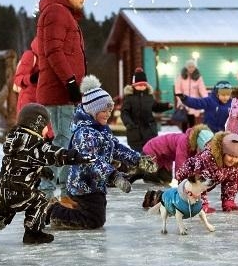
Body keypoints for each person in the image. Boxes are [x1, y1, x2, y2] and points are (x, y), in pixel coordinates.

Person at [0, 103, 91, 245]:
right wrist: (77, 157)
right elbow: (57, 154)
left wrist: (41, 169)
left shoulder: (15, 139)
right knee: (41, 199)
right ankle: (33, 233)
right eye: (46, 126)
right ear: (36, 124)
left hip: (1, 192)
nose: (47, 130)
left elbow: (20, 163)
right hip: (19, 192)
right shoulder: (35, 144)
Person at [47, 75, 158, 230]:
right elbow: (91, 161)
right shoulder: (84, 133)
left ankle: (66, 207)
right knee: (93, 220)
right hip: (83, 184)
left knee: (97, 217)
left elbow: (115, 147)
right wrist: (113, 176)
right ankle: (53, 211)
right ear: (93, 111)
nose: (108, 114)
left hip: (96, 184)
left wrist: (138, 160)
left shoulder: (101, 128)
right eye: (104, 110)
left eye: (109, 110)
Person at [34, 0, 88, 198]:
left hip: (64, 93)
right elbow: (54, 52)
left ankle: (65, 192)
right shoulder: (56, 12)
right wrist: (71, 81)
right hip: (58, 92)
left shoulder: (63, 13)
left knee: (68, 141)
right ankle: (45, 193)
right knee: (61, 140)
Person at [175, 131, 238, 213]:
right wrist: (202, 204)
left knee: (230, 181)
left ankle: (228, 202)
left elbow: (230, 183)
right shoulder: (207, 159)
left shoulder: (233, 165)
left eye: (236, 157)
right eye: (230, 155)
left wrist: (228, 201)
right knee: (187, 199)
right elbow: (199, 183)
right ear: (223, 152)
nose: (233, 160)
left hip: (205, 181)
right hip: (188, 180)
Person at [137, 124, 214, 189]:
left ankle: (150, 175)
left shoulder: (196, 148)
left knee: (166, 180)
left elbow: (196, 165)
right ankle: (133, 173)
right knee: (143, 171)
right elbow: (180, 164)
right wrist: (182, 185)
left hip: (164, 158)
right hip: (152, 150)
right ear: (199, 143)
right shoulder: (184, 142)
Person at [120, 68, 172, 152]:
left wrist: (166, 106)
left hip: (149, 131)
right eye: (139, 85)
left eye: (143, 85)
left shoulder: (149, 97)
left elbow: (155, 107)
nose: (141, 87)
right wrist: (129, 124)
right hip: (135, 132)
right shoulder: (129, 98)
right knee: (139, 154)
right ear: (134, 85)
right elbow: (124, 112)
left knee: (150, 153)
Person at [173, 59, 208, 131]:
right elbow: (177, 89)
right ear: (186, 67)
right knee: (184, 120)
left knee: (192, 120)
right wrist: (180, 100)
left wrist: (207, 100)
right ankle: (184, 136)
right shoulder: (181, 77)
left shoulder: (198, 77)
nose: (191, 68)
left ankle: (191, 137)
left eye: (193, 67)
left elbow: (202, 89)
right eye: (189, 67)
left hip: (193, 101)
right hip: (184, 101)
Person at [12, 38, 40, 113]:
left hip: (43, 105)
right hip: (28, 105)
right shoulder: (30, 55)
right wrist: (31, 78)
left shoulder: (51, 58)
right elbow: (18, 78)